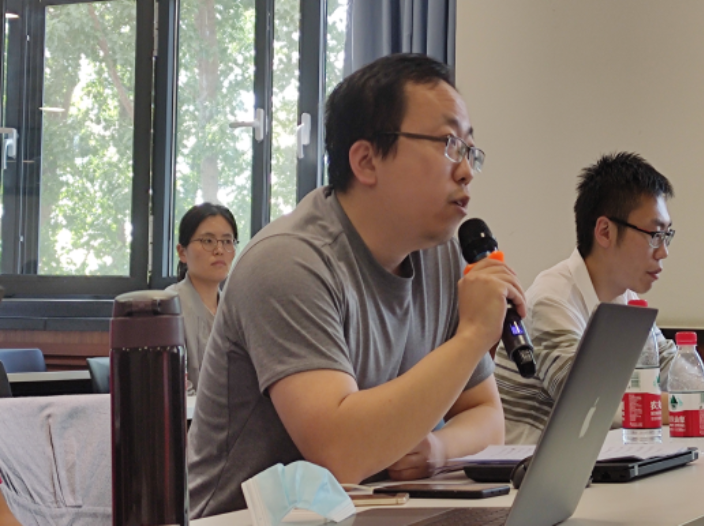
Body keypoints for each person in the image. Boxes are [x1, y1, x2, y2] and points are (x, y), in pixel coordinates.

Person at [187, 53, 527, 517]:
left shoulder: (441, 256)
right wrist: (472, 337)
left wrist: (436, 449)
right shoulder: (288, 261)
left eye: (469, 150)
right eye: (449, 144)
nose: (466, 170)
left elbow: (488, 418)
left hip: (375, 514)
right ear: (366, 161)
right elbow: (340, 453)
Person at [495, 152, 704, 444]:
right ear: (605, 231)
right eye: (654, 235)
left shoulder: (624, 296)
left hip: (596, 458)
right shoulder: (551, 301)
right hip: (525, 467)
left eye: (666, 235)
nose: (663, 252)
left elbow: (671, 370)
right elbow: (596, 406)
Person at [167, 203, 239, 395]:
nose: (219, 250)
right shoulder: (167, 308)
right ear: (182, 252)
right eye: (208, 241)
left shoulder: (236, 310)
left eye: (227, 241)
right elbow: (175, 390)